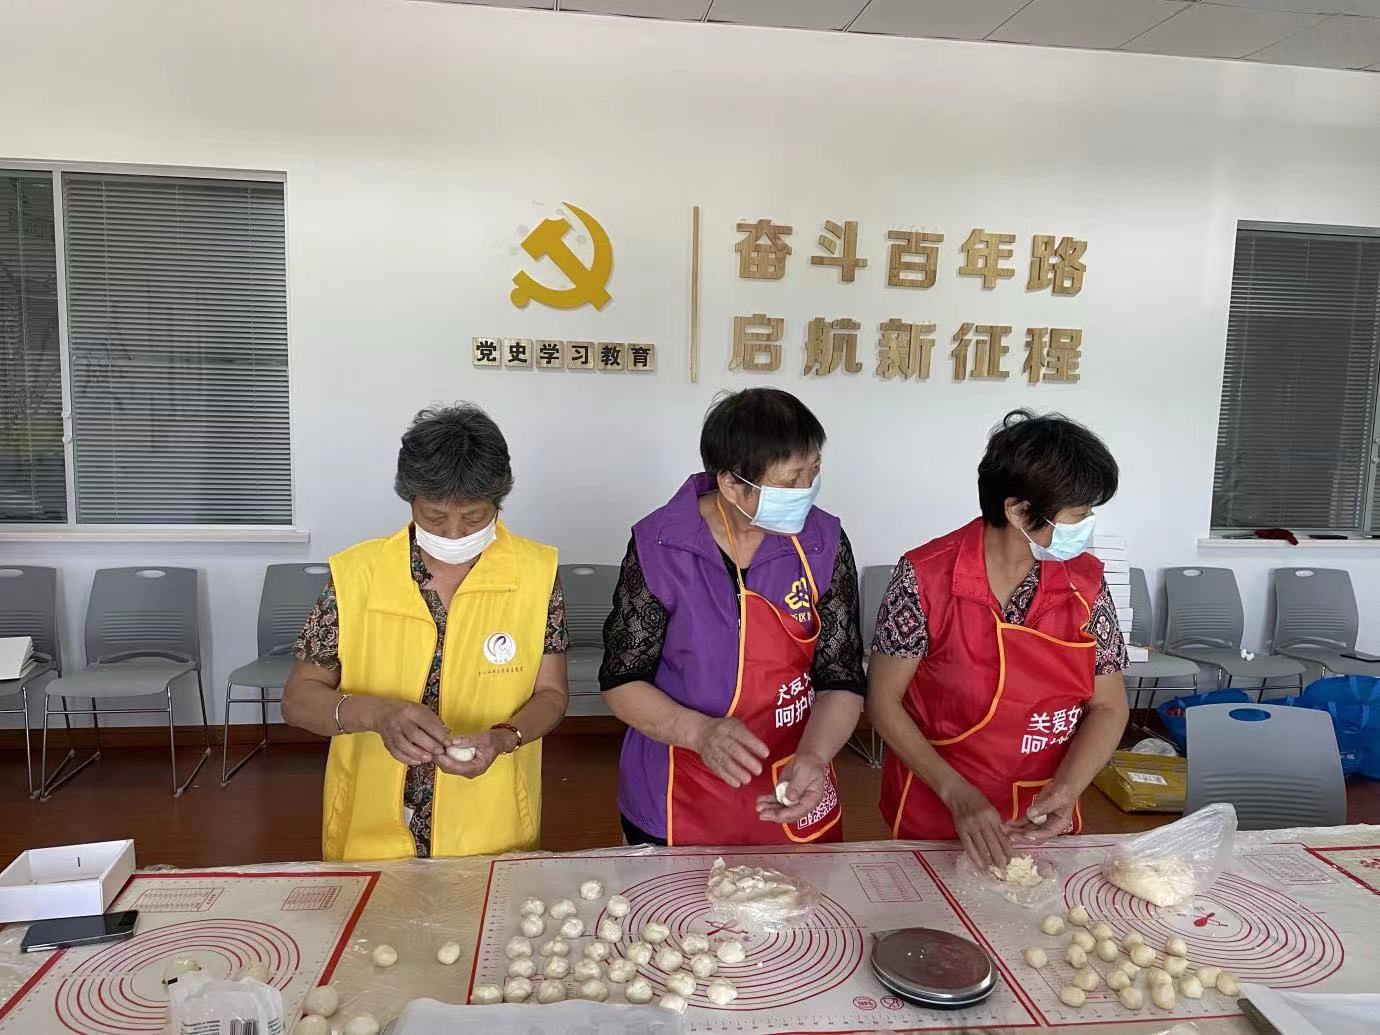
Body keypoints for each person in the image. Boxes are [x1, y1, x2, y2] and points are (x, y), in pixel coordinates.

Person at [283, 404, 569, 861]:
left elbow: (551, 695)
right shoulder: (357, 574)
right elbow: (299, 699)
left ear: (498, 500)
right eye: (435, 517)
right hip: (370, 826)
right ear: (410, 499)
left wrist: (504, 737)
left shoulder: (537, 573)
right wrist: (377, 714)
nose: (454, 533)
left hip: (490, 821)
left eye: (473, 517)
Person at [601, 388, 866, 846]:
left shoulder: (824, 542)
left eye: (814, 471)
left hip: (792, 778)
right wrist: (699, 732)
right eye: (790, 480)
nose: (806, 491)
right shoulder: (660, 545)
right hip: (676, 786)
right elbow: (622, 681)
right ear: (730, 483)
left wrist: (815, 756)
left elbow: (840, 678)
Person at [868, 409, 1129, 866]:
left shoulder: (1086, 584)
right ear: (1019, 510)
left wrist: (1068, 789)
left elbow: (1109, 705)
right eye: (1078, 515)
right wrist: (956, 792)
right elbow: (883, 703)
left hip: (1041, 814)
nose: (1087, 526)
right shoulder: (923, 577)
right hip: (936, 804)